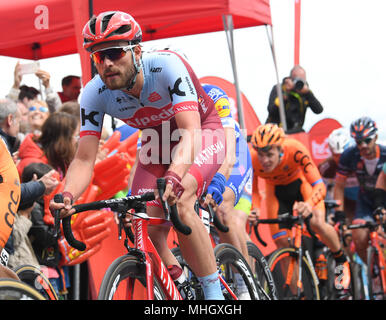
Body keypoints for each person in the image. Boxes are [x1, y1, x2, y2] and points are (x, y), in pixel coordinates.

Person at [49, 11, 227, 300]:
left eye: (114, 53)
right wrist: (68, 195)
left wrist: (174, 175)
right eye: (97, 57)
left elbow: (191, 132)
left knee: (180, 202)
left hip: (199, 134)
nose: (106, 64)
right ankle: (181, 285)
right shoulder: (94, 93)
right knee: (139, 222)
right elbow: (83, 159)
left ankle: (214, 295)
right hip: (156, 144)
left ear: (137, 51)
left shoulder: (167, 66)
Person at [249, 123, 351, 294]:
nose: (264, 160)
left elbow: (319, 186)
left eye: (269, 154)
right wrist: (256, 208)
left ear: (280, 149)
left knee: (317, 222)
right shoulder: (253, 160)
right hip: (277, 194)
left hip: (301, 187)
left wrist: (309, 204)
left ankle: (341, 258)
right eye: (261, 155)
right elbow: (254, 192)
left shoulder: (295, 149)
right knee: (282, 243)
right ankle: (299, 295)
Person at [334, 117, 386, 262]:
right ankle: (375, 273)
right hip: (365, 200)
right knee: (358, 235)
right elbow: (339, 186)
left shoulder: (384, 154)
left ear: (375, 137)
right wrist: (340, 214)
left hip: (384, 198)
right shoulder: (349, 155)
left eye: (367, 140)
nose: (363, 145)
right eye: (358, 142)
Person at [17, 111, 79, 178]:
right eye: (75, 136)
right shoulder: (34, 165)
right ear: (63, 140)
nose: (76, 141)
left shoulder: (57, 156)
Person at [265, 65, 323, 133]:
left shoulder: (305, 92)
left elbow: (318, 110)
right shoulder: (279, 89)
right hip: (277, 132)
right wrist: (286, 94)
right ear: (291, 78)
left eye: (302, 80)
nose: (299, 83)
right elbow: (272, 111)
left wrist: (308, 93)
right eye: (297, 80)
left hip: (296, 133)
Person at [318, 127, 358, 224]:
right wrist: (331, 213)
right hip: (346, 201)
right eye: (336, 155)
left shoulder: (360, 160)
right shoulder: (326, 167)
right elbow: (324, 192)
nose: (340, 159)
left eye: (343, 155)